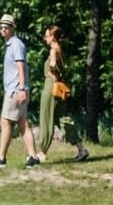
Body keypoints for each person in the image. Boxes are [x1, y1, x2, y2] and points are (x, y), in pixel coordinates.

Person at [0, 14, 37, 169]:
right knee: (23, 124)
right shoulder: (11, 45)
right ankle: (33, 157)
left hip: (16, 90)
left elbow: (21, 67)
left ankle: (1, 158)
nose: (3, 29)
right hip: (15, 89)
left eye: (7, 27)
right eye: (1, 27)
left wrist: (21, 89)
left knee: (5, 122)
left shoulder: (15, 45)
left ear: (13, 28)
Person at [35, 25, 91, 164]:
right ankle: (81, 148)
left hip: (51, 87)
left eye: (47, 35)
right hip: (59, 88)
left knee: (46, 118)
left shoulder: (53, 50)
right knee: (63, 119)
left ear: (53, 37)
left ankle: (42, 152)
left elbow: (53, 64)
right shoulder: (61, 50)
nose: (45, 38)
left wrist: (51, 71)